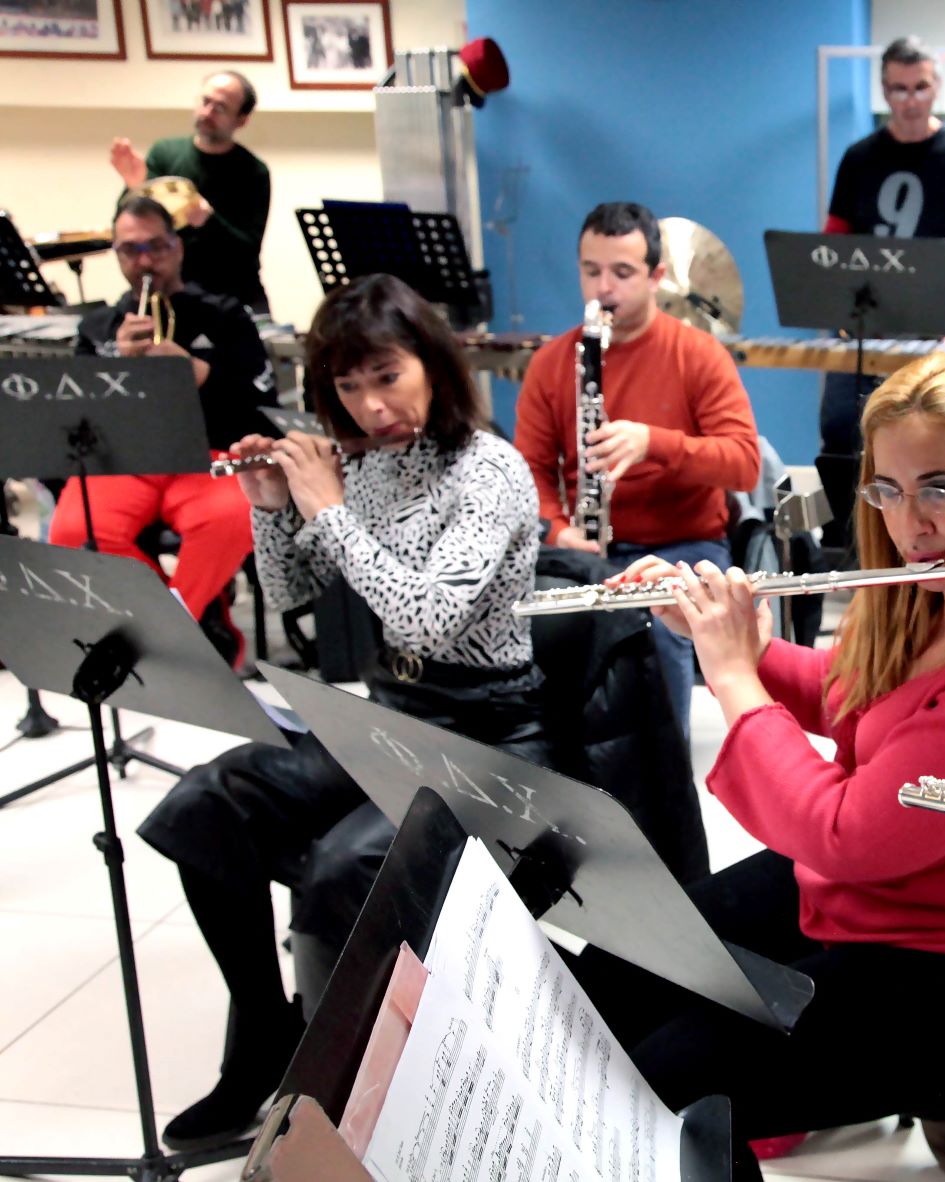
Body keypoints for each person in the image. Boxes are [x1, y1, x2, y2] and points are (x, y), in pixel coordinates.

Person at [578, 353, 945, 1182]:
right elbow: (852, 698)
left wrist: (730, 675)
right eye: (888, 491)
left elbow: (845, 833)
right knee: (614, 969)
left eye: (943, 486)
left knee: (667, 1087)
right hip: (874, 895)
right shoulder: (931, 594)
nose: (912, 524)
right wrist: (729, 635)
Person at [136, 274, 549, 1153]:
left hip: (482, 734)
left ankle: (332, 1110)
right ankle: (263, 1036)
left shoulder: (490, 471)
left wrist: (326, 509)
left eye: (386, 376)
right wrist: (273, 508)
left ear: (431, 365)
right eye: (348, 388)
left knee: (341, 867)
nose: (370, 406)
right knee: (211, 802)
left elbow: (427, 617)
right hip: (391, 717)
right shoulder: (359, 463)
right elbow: (292, 595)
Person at [513, 200, 760, 734]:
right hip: (586, 548)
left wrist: (656, 443)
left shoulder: (697, 354)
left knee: (654, 630)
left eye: (622, 273)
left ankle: (658, 761)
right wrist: (557, 529)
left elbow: (744, 465)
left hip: (681, 544)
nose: (604, 287)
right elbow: (528, 470)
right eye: (592, 271)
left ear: (656, 277)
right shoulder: (554, 361)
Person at [47, 195, 276, 668]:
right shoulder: (98, 327)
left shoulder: (226, 314)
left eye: (157, 246)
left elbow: (261, 405)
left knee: (231, 519)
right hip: (129, 458)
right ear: (116, 254)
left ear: (178, 247)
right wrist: (117, 368)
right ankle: (186, 618)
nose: (145, 260)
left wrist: (199, 373)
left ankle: (171, 636)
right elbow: (81, 422)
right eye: (132, 250)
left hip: (210, 453)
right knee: (72, 530)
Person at [818, 36, 945, 464]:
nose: (911, 100)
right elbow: (834, 240)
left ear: (936, 85)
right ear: (884, 91)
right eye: (899, 89)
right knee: (840, 430)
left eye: (920, 87)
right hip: (865, 327)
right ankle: (846, 532)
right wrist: (833, 306)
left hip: (934, 327)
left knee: (926, 440)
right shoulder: (859, 158)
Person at [110, 70, 272, 313]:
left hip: (235, 295)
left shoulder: (253, 172)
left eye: (220, 108)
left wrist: (208, 221)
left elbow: (247, 252)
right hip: (173, 293)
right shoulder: (165, 152)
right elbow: (127, 231)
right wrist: (134, 188)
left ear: (241, 120)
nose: (207, 112)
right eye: (205, 102)